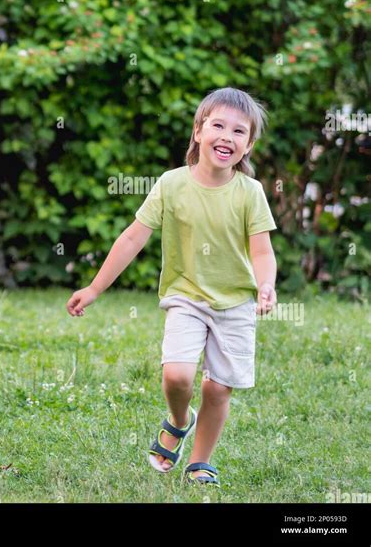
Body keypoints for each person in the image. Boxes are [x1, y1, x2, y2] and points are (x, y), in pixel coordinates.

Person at [66, 87, 278, 485]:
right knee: (177, 377)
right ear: (198, 131)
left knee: (218, 388)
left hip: (235, 305)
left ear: (248, 144)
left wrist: (266, 285)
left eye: (239, 131)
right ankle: (180, 420)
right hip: (186, 297)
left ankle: (200, 462)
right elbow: (132, 238)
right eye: (218, 125)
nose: (226, 137)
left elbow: (263, 251)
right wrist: (94, 289)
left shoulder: (251, 193)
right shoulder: (171, 184)